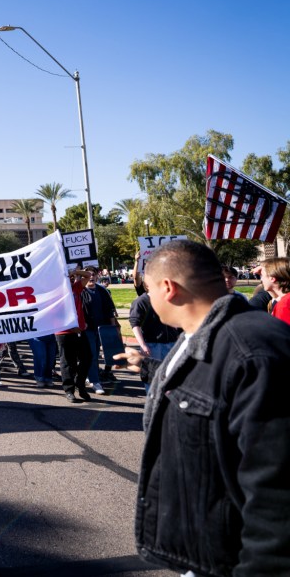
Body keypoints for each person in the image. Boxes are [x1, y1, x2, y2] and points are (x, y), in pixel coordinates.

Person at [112, 239, 290, 576]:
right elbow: (202, 384)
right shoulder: (196, 333)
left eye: (147, 289)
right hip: (206, 547)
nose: (146, 298)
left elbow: (276, 496)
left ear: (168, 288)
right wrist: (148, 367)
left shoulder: (254, 350)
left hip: (232, 560)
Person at [56, 268, 94, 403]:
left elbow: (88, 275)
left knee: (87, 357)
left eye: (71, 278)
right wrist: (71, 327)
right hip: (64, 332)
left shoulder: (75, 288)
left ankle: (80, 384)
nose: (70, 279)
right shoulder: (56, 293)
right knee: (68, 362)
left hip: (79, 331)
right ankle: (69, 390)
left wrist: (74, 271)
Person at [80, 268, 119, 393]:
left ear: (98, 276)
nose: (91, 277)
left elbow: (110, 310)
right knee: (91, 355)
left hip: (102, 329)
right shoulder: (80, 291)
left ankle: (90, 376)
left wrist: (113, 328)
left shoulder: (102, 291)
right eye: (88, 274)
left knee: (96, 355)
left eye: (94, 274)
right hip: (87, 329)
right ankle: (95, 382)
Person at [258, 257, 290, 324]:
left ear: (272, 278)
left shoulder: (284, 305)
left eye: (262, 275)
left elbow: (283, 333)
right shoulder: (284, 300)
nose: (261, 280)